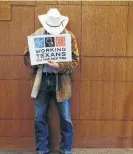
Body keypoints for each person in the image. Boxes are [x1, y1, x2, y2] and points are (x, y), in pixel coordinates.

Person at [23, 8, 79, 154]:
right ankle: (42, 150)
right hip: (41, 81)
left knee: (65, 119)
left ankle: (66, 150)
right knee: (39, 117)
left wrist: (59, 66)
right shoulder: (37, 35)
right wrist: (37, 61)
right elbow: (26, 57)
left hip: (61, 82)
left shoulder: (69, 37)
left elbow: (75, 61)